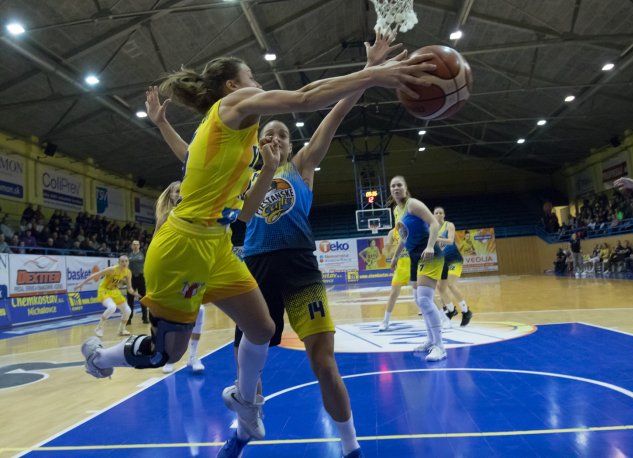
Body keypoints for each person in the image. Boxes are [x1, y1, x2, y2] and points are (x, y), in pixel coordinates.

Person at [80, 43, 434, 458]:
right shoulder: (234, 104)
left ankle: (247, 408)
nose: (258, 83)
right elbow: (305, 98)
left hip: (224, 244)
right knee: (166, 353)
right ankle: (100, 358)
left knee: (264, 331)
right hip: (186, 245)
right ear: (233, 85)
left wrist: (267, 168)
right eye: (253, 76)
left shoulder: (247, 148)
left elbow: (239, 204)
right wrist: (376, 75)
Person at [389, 176, 447, 362]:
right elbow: (404, 237)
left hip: (429, 253)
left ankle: (440, 346)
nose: (396, 188)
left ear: (406, 188)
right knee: (418, 299)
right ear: (390, 190)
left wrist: (430, 246)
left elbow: (434, 223)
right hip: (414, 256)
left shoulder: (413, 204)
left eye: (399, 185)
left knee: (424, 299)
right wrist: (396, 256)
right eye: (393, 186)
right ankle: (430, 340)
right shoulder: (396, 211)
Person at [154, 181, 206, 374]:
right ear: (171, 195)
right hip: (172, 271)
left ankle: (193, 356)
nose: (180, 194)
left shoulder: (194, 214)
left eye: (183, 191)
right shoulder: (165, 218)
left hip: (193, 269)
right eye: (177, 191)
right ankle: (169, 357)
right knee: (172, 317)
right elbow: (156, 247)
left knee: (199, 312)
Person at [75, 255, 140, 337]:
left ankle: (122, 330)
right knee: (112, 307)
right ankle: (99, 328)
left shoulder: (128, 272)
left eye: (126, 261)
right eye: (122, 261)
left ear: (128, 262)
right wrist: (82, 283)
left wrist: (136, 294)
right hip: (104, 290)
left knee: (128, 310)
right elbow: (96, 275)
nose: (124, 263)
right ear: (119, 262)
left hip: (115, 291)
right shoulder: (112, 269)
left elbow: (130, 288)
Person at [432, 207, 473, 327]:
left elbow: (450, 241)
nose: (439, 214)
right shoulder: (432, 229)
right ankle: (451, 310)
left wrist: (435, 239)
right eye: (436, 213)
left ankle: (466, 311)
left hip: (454, 259)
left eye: (441, 212)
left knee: (450, 284)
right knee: (440, 287)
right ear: (433, 215)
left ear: (444, 215)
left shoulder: (449, 225)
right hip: (442, 262)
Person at [378, 225, 410, 331]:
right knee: (393, 294)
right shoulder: (392, 233)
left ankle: (443, 318)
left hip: (415, 264)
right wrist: (392, 251)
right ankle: (385, 321)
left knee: (425, 293)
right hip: (401, 267)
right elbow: (387, 252)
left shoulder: (413, 227)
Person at [126, 240, 149, 325]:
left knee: (143, 298)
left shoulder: (143, 254)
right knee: (130, 299)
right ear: (132, 246)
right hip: (131, 278)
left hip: (141, 278)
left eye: (137, 244)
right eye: (134, 244)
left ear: (139, 246)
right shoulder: (129, 255)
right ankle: (128, 318)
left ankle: (145, 317)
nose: (135, 246)